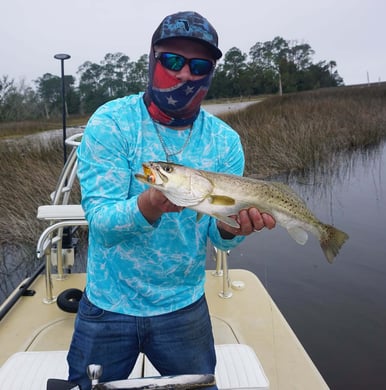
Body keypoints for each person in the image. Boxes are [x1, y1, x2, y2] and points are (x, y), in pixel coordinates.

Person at [67, 11, 275, 389]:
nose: (184, 74)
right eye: (173, 60)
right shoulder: (111, 123)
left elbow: (220, 234)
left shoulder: (225, 141)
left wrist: (236, 228)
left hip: (184, 307)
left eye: (199, 65)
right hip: (108, 305)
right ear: (152, 58)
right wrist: (149, 204)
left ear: (210, 73)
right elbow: (100, 223)